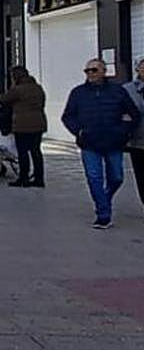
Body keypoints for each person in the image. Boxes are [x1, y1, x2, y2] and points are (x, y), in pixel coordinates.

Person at [61, 59, 140, 229]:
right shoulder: (78, 93)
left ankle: (104, 198)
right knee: (94, 177)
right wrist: (79, 131)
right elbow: (68, 116)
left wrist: (123, 131)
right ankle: (103, 214)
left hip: (114, 142)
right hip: (89, 143)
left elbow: (134, 114)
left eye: (94, 70)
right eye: (87, 70)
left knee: (117, 177)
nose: (90, 73)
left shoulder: (118, 91)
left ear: (104, 71)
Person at [0, 65, 48, 188]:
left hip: (23, 125)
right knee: (36, 151)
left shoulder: (18, 90)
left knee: (23, 152)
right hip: (39, 124)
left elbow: (3, 99)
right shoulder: (38, 88)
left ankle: (23, 179)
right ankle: (39, 179)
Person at [123, 57, 144, 208]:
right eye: (142, 66)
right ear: (137, 69)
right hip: (137, 140)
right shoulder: (128, 89)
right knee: (142, 176)